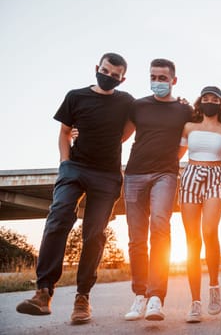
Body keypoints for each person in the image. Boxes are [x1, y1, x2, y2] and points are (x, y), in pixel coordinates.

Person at [16, 53, 134, 324]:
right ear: (97, 68)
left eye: (115, 75)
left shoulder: (126, 101)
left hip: (106, 175)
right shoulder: (75, 96)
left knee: (93, 234)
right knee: (58, 217)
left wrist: (109, 140)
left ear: (122, 78)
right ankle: (43, 292)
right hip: (75, 169)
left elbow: (127, 131)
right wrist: (65, 163)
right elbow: (64, 132)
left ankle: (82, 297)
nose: (109, 77)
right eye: (105, 71)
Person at [122, 58, 193, 322]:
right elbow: (121, 136)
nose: (158, 82)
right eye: (154, 77)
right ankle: (140, 294)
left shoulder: (184, 110)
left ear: (174, 81)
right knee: (136, 237)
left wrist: (170, 161)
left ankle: (156, 297)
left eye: (163, 78)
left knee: (160, 227)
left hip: (166, 173)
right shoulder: (137, 106)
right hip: (134, 174)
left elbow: (186, 141)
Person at [179, 86, 221, 323]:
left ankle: (213, 286)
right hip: (191, 175)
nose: (210, 101)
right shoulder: (189, 127)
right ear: (200, 102)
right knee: (192, 239)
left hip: (216, 177)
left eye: (215, 99)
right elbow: (175, 154)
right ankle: (194, 301)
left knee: (209, 232)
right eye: (206, 98)